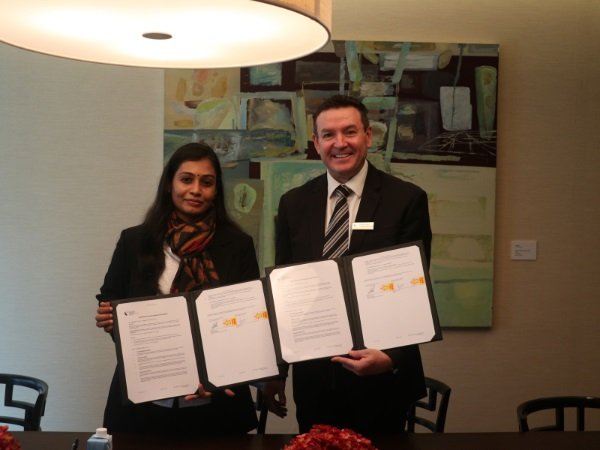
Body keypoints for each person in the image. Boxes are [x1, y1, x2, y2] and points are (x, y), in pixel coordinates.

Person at [266, 95, 432, 436]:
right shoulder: (294, 204)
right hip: (314, 380)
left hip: (381, 381)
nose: (339, 143)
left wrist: (392, 356)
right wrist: (278, 371)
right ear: (316, 143)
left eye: (350, 132)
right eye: (328, 135)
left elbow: (413, 290)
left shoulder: (406, 200)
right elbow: (285, 295)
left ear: (368, 136)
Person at [94, 142, 259, 434]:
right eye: (186, 179)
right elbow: (111, 298)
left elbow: (248, 319)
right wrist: (109, 317)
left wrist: (215, 372)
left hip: (216, 403)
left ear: (216, 190)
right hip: (143, 401)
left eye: (206, 182)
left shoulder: (238, 245)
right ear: (169, 184)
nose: (196, 190)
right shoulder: (134, 241)